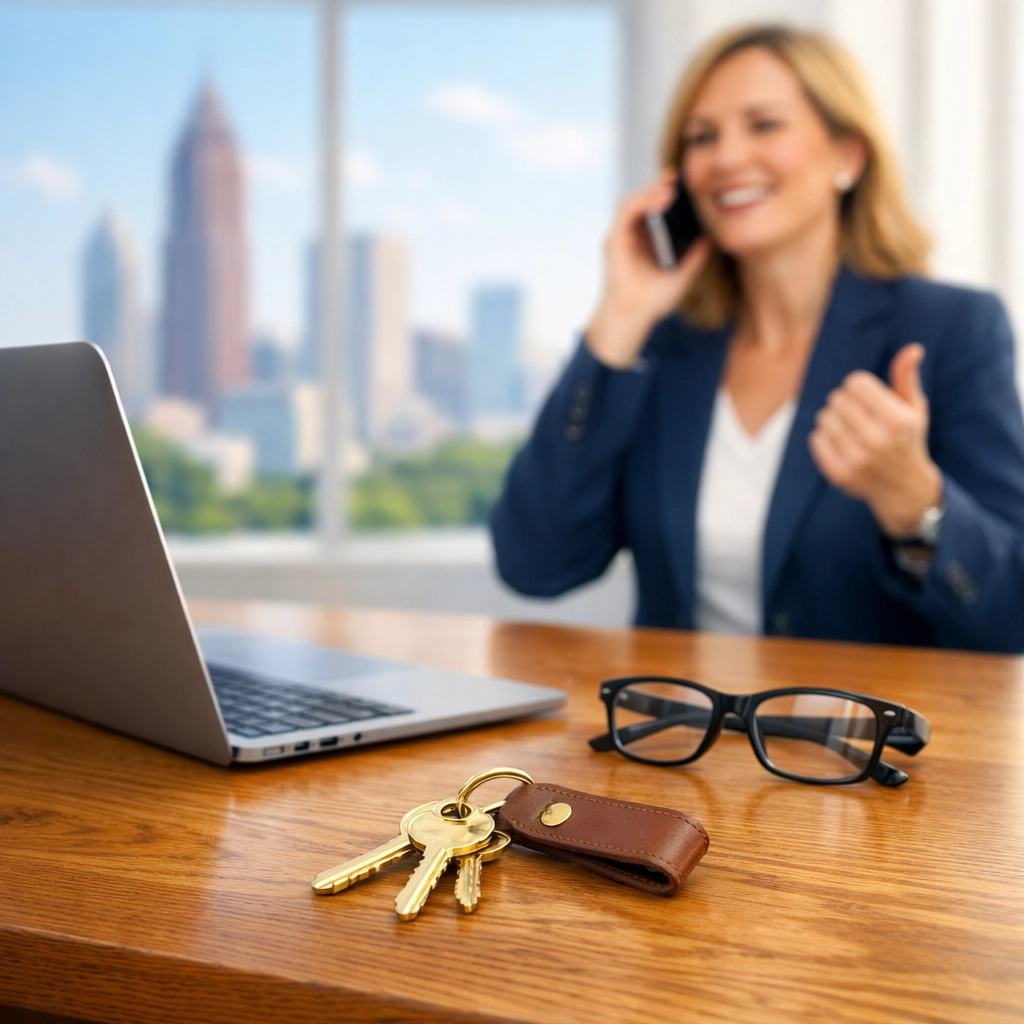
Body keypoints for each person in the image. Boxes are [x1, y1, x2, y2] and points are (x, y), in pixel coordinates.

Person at [490, 24, 1024, 653]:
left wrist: (919, 508)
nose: (726, 158)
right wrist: (619, 320)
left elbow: (1010, 616)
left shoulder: (951, 328)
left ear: (847, 155)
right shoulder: (661, 349)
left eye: (764, 125)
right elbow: (535, 564)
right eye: (702, 137)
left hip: (858, 746)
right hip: (677, 741)